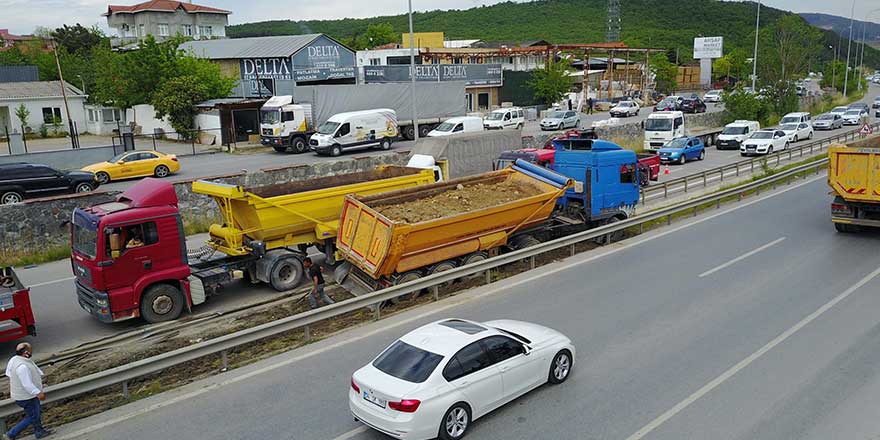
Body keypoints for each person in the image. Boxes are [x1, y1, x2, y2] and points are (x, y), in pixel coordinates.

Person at [4, 342, 52, 439]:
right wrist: (38, 393)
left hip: (21, 395)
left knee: (35, 413)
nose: (31, 352)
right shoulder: (22, 367)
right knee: (33, 416)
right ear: (26, 352)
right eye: (30, 350)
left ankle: (39, 431)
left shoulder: (14, 360)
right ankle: (11, 434)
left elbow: (9, 373)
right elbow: (27, 384)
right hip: (27, 396)